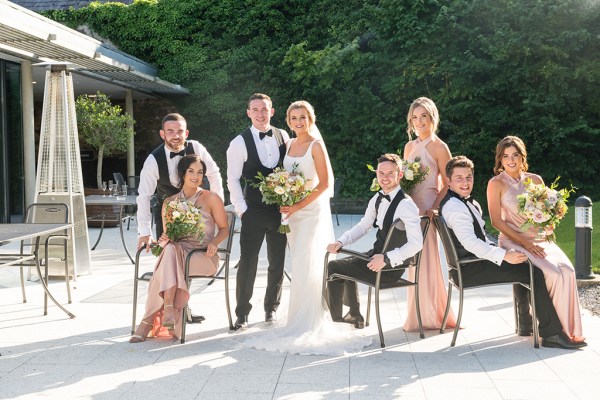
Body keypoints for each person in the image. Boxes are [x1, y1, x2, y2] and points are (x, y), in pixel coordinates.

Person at [244, 101, 370, 355]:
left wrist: (298, 204)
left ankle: (311, 319)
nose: (298, 122)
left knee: (309, 263)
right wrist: (282, 197)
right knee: (299, 265)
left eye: (303, 117)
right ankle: (297, 318)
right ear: (288, 120)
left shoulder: (316, 145)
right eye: (293, 118)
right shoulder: (289, 144)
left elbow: (324, 184)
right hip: (293, 215)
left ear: (311, 118)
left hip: (310, 214)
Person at [440, 155, 584, 349]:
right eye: (459, 178)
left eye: (468, 177)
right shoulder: (455, 208)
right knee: (533, 271)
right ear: (448, 181)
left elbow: (478, 240)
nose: (465, 182)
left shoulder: (464, 202)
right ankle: (551, 335)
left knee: (523, 263)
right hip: (470, 268)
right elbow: (470, 243)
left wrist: (500, 252)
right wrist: (503, 255)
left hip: (471, 264)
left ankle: (526, 324)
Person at [487, 136, 586, 345]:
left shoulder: (536, 180)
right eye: (505, 156)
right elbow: (496, 220)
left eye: (515, 155)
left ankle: (570, 330)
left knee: (567, 271)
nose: (511, 160)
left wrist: (549, 223)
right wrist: (524, 243)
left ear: (522, 156)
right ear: (500, 160)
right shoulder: (496, 183)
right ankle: (549, 329)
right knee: (550, 273)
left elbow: (545, 212)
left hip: (540, 238)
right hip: (513, 240)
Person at [130, 155, 229, 342]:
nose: (196, 176)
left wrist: (215, 242)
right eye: (191, 171)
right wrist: (164, 239)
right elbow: (170, 238)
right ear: (182, 174)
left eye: (200, 172)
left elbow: (224, 229)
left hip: (202, 256)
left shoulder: (211, 198)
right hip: (177, 255)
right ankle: (168, 312)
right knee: (169, 250)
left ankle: (149, 320)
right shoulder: (169, 202)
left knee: (167, 262)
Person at [136, 113, 223, 323]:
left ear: (187, 132)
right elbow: (144, 196)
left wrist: (216, 204)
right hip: (169, 214)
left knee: (188, 258)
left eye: (180, 131)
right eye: (170, 131)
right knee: (171, 257)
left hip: (199, 214)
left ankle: (178, 309)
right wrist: (145, 232)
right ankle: (176, 310)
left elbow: (214, 173)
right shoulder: (153, 160)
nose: (176, 136)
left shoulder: (197, 148)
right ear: (162, 134)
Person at [327, 153, 423, 330]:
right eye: (381, 173)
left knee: (334, 268)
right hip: (375, 257)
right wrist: (341, 241)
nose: (384, 178)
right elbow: (363, 226)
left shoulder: (406, 204)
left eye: (390, 174)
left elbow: (417, 244)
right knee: (342, 265)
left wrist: (386, 258)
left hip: (390, 266)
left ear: (400, 175)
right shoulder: (378, 198)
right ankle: (353, 314)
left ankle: (342, 318)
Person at [226, 93, 290, 330]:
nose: (260, 114)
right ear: (248, 112)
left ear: (272, 111)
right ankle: (242, 312)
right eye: (256, 109)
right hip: (253, 211)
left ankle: (271, 308)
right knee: (248, 262)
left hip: (280, 211)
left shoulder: (283, 135)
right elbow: (232, 179)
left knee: (277, 261)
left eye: (265, 109)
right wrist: (242, 210)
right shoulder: (239, 142)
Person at [402, 97, 456, 331]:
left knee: (427, 259)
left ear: (432, 117)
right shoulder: (409, 146)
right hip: (409, 208)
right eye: (415, 117)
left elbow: (449, 181)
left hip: (427, 208)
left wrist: (435, 206)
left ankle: (431, 315)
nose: (419, 121)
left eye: (424, 116)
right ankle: (415, 313)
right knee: (413, 261)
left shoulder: (439, 146)